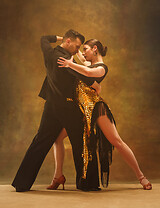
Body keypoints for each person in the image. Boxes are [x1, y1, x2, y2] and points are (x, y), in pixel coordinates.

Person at [47, 38, 152, 190]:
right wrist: (68, 43)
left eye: (86, 49)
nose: (83, 53)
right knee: (57, 139)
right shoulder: (87, 63)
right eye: (82, 50)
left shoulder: (102, 68)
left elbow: (88, 72)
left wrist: (70, 64)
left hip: (96, 108)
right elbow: (80, 59)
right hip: (81, 110)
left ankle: (141, 177)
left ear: (95, 49)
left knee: (117, 141)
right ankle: (58, 176)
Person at [11, 30, 101, 192]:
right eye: (77, 45)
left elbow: (43, 38)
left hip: (51, 105)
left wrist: (60, 37)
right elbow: (81, 74)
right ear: (68, 41)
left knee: (39, 143)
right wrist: (96, 85)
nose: (78, 50)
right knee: (83, 142)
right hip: (68, 106)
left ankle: (21, 183)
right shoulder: (64, 59)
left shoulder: (50, 52)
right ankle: (88, 184)